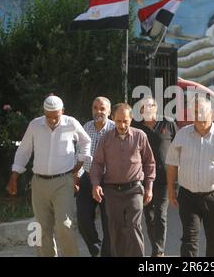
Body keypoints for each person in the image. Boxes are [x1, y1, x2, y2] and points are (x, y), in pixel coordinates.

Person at [6, 95, 91, 257]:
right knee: (41, 228)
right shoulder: (35, 125)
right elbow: (24, 151)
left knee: (65, 225)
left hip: (63, 182)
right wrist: (14, 176)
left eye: (56, 116)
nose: (52, 121)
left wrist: (79, 164)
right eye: (48, 116)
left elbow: (85, 142)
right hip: (39, 183)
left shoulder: (70, 123)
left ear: (63, 111)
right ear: (44, 112)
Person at [165, 97, 214, 257]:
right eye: (195, 112)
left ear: (211, 113)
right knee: (189, 239)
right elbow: (171, 163)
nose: (198, 115)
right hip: (188, 196)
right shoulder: (183, 135)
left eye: (202, 112)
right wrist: (171, 189)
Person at [90, 103, 155, 257]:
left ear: (131, 119)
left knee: (134, 227)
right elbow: (97, 164)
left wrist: (149, 187)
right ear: (113, 119)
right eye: (118, 121)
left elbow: (149, 162)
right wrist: (95, 185)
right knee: (116, 230)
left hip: (134, 190)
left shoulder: (140, 136)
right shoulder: (106, 138)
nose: (122, 125)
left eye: (125, 121)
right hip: (112, 191)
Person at [132, 97, 178, 257]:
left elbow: (179, 149)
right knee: (149, 216)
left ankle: (158, 252)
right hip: (143, 178)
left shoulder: (168, 124)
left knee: (160, 215)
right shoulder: (136, 127)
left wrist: (177, 179)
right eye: (144, 107)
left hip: (165, 179)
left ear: (156, 108)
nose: (147, 109)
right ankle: (156, 246)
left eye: (151, 105)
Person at [76, 97, 114, 257]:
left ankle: (107, 254)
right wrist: (76, 177)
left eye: (102, 108)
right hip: (87, 178)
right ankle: (96, 250)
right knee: (83, 220)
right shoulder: (86, 127)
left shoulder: (115, 129)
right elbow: (79, 153)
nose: (98, 111)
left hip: (109, 181)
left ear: (109, 111)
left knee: (109, 224)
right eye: (95, 107)